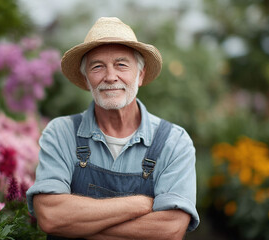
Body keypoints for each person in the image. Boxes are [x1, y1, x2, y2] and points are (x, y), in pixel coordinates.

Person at [26, 17, 200, 239]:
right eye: (97, 66)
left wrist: (79, 225)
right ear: (86, 78)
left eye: (121, 65)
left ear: (141, 74)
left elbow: (170, 229)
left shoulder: (174, 142)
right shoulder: (61, 133)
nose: (110, 77)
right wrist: (138, 205)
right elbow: (51, 216)